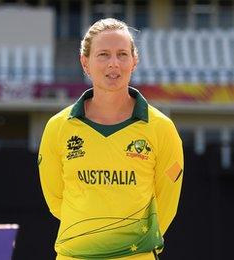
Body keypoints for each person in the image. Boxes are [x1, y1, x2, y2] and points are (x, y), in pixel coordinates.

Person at [38, 18, 184, 260]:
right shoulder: (58, 128)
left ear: (134, 61)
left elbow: (167, 204)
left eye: (122, 54)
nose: (113, 63)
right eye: (103, 55)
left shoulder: (162, 129)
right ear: (85, 63)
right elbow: (55, 200)